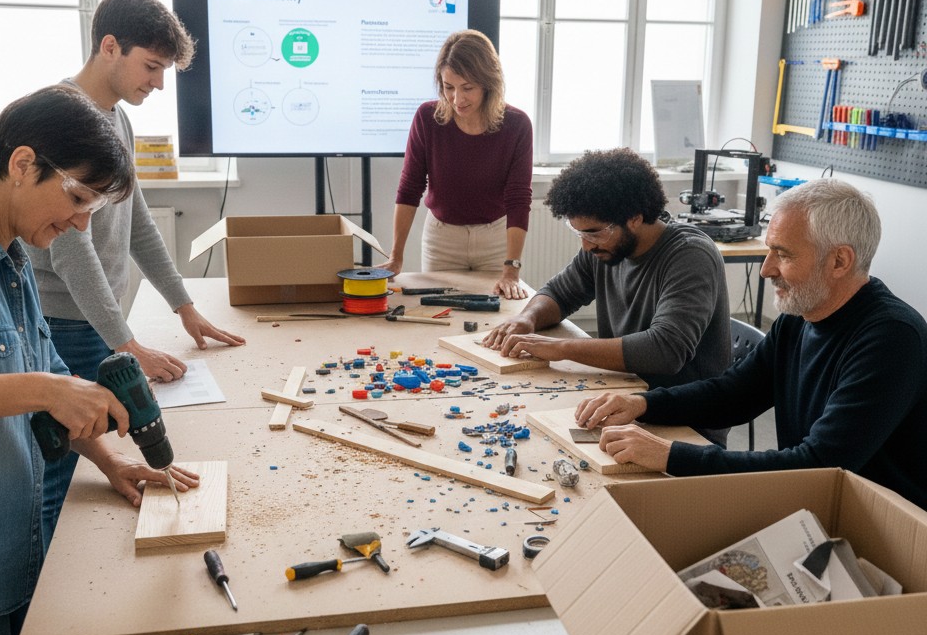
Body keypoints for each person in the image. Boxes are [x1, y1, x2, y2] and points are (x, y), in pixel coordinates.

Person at [0, 85, 199, 635]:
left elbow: (53, 380)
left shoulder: (13, 258)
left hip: (11, 553)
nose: (79, 223)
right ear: (21, 165)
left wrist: (110, 461)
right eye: (77, 198)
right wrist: (43, 388)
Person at [26, 0, 245, 549]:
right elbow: (72, 252)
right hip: (61, 322)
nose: (159, 83)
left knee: (96, 453)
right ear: (109, 47)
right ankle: (43, 602)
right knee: (56, 468)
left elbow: (138, 222)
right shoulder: (62, 119)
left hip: (93, 325)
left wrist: (185, 307)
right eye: (151, 66)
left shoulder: (114, 119)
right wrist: (126, 343)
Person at [578, 179, 927, 510]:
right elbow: (735, 394)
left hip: (882, 529)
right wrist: (641, 404)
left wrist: (670, 454)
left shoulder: (891, 339)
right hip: (816, 501)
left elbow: (819, 464)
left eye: (783, 254)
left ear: (839, 261)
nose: (766, 269)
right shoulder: (799, 315)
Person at [482, 147, 731, 444]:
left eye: (593, 233)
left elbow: (666, 351)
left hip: (685, 422)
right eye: (580, 235)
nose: (587, 245)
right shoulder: (606, 247)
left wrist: (562, 347)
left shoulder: (689, 256)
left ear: (635, 218)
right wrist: (527, 318)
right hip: (626, 396)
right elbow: (560, 293)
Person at [381, 29, 533, 299]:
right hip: (442, 239)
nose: (457, 99)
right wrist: (396, 257)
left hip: (495, 238)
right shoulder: (427, 118)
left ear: (489, 83)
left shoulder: (517, 125)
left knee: (494, 317)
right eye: (448, 87)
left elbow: (518, 198)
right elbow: (410, 187)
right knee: (440, 317)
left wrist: (512, 268)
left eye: (467, 88)